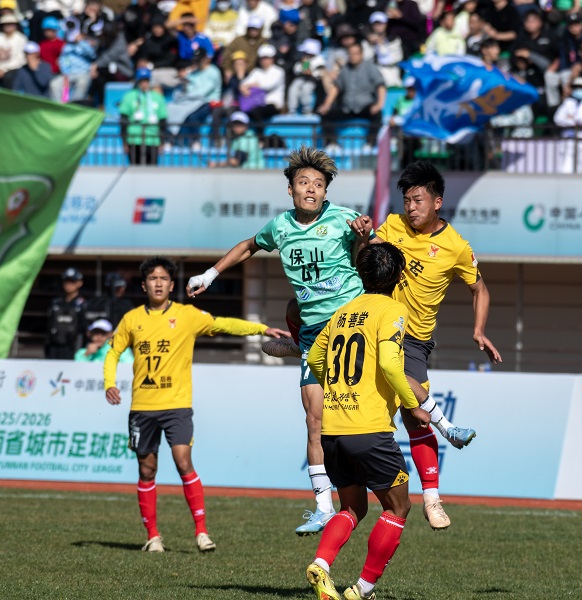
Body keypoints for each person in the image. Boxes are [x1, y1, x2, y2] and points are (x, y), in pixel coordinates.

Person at [186, 147, 373, 535]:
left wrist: (366, 238)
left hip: (351, 327)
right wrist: (210, 274)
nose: (311, 189)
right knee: (314, 420)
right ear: (291, 190)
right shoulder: (281, 226)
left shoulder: (346, 219)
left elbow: (376, 261)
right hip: (314, 332)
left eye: (318, 184)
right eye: (304, 182)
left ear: (326, 192)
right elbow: (248, 245)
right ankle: (323, 506)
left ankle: (427, 453)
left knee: (354, 414)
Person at [104, 256, 289, 553]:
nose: (158, 283)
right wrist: (109, 384)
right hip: (142, 407)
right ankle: (153, 536)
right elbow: (113, 353)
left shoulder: (186, 315)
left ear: (172, 285)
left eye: (164, 278)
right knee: (147, 470)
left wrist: (262, 329)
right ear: (144, 285)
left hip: (177, 406)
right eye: (153, 278)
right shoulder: (131, 319)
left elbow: (223, 324)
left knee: (183, 462)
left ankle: (202, 532)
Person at [357, 160, 501, 529]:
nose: (410, 208)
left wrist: (479, 329)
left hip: (413, 340)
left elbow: (480, 289)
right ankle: (445, 428)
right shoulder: (392, 225)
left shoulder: (456, 247)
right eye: (406, 200)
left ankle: (432, 500)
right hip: (376, 327)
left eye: (418, 200)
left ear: (437, 202)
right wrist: (364, 234)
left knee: (413, 414)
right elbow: (368, 257)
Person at [304, 242, 431, 600]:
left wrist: (338, 386)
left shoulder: (344, 311)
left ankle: (321, 565)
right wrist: (413, 405)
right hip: (369, 430)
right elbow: (390, 363)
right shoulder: (393, 309)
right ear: (399, 276)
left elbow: (315, 357)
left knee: (353, 508)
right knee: (399, 506)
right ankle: (361, 589)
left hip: (332, 430)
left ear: (361, 275)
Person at [119, 67, 168, 166]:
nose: (144, 84)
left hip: (152, 139)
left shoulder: (157, 97)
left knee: (152, 169)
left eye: (146, 81)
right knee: (134, 169)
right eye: (142, 81)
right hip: (134, 139)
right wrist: (124, 141)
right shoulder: (129, 96)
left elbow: (163, 120)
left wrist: (162, 141)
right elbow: (123, 120)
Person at [45, 267, 87, 360]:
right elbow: (50, 326)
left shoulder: (83, 304)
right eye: (66, 281)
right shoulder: (56, 303)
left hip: (73, 348)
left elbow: (84, 330)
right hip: (54, 347)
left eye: (72, 281)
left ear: (79, 283)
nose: (69, 284)